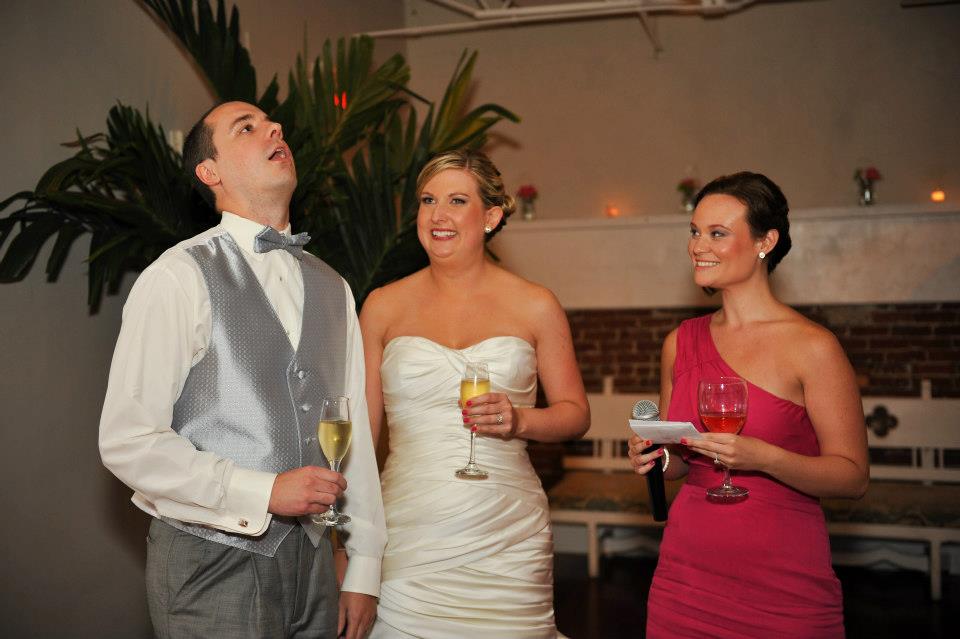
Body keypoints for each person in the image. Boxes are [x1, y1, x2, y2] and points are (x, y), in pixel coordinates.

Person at [99, 101, 386, 639]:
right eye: (246, 128)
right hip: (209, 561)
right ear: (210, 172)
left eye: (272, 123)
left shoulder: (335, 288)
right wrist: (262, 491)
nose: (274, 127)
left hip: (315, 565)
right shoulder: (178, 276)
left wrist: (364, 565)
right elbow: (128, 440)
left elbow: (354, 441)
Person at [359, 149, 590, 638]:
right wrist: (352, 547)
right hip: (408, 534)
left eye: (457, 201)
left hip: (507, 533)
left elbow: (575, 414)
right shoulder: (382, 306)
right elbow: (360, 438)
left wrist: (520, 420)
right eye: (428, 200)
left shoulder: (536, 304)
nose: (437, 215)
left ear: (491, 216)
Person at [628, 171, 869, 638]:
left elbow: (853, 477)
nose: (698, 246)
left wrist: (764, 458)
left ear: (765, 241)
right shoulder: (680, 342)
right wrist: (656, 456)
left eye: (717, 233)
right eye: (695, 232)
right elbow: (681, 463)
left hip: (784, 580)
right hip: (686, 579)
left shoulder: (813, 346)